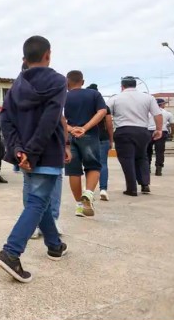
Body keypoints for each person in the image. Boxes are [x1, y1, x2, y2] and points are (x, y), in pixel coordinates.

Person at [0, 35, 68, 283]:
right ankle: (11, 253)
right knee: (37, 201)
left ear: (24, 59)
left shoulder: (16, 86)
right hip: (44, 153)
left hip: (25, 154)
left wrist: (18, 151)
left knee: (41, 201)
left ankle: (55, 245)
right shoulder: (58, 81)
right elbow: (50, 119)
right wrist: (32, 153)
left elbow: (6, 120)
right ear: (48, 54)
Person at [106, 76, 163, 196]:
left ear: (122, 86)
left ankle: (131, 188)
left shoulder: (115, 98)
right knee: (142, 157)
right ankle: (145, 184)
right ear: (135, 85)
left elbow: (105, 114)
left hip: (123, 131)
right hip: (142, 131)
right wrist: (159, 129)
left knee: (127, 159)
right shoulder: (148, 98)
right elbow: (157, 114)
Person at [63, 70, 107, 217]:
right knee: (93, 165)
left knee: (73, 171)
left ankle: (79, 205)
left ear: (67, 83)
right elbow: (102, 112)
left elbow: (57, 116)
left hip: (69, 137)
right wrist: (85, 128)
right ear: (82, 82)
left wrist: (70, 129)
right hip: (89, 135)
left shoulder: (64, 96)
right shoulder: (94, 94)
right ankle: (88, 193)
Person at [87, 83, 114, 201]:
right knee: (103, 163)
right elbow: (109, 124)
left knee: (89, 164)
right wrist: (111, 139)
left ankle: (88, 191)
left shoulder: (84, 106)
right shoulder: (104, 107)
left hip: (87, 137)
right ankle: (103, 189)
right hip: (103, 138)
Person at [147, 98, 174, 176]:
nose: (164, 105)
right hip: (162, 132)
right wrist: (172, 134)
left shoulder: (148, 113)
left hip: (149, 132)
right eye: (164, 104)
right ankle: (158, 169)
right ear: (161, 104)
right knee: (160, 151)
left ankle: (147, 168)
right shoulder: (167, 113)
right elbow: (172, 124)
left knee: (147, 151)